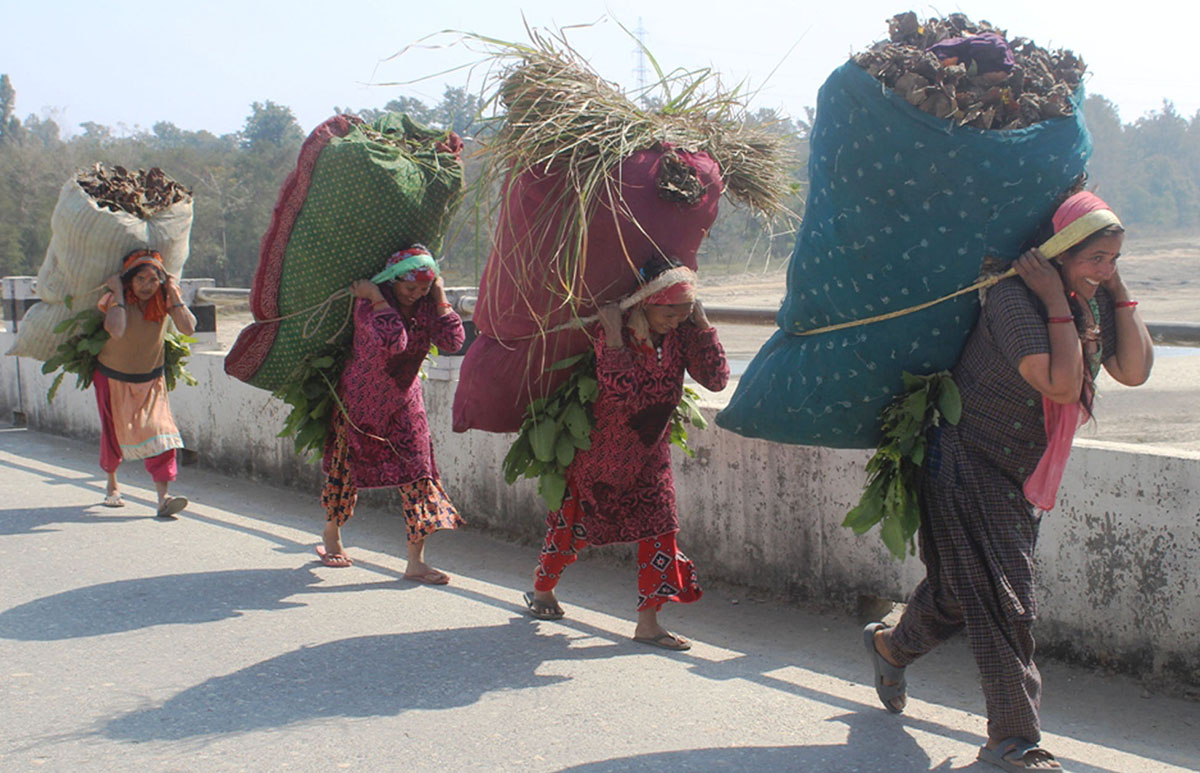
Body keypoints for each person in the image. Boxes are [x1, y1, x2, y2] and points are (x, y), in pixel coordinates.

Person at [863, 191, 1153, 771]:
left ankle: (889, 645)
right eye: (1095, 258)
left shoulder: (1089, 302)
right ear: (1059, 254)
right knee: (1007, 600)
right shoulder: (1014, 300)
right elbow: (1062, 385)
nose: (1104, 270)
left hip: (1018, 473)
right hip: (965, 459)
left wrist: (1117, 293)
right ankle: (1013, 738)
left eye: (1114, 258)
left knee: (957, 593)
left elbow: (1136, 369)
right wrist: (1052, 296)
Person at [524, 255, 730, 650]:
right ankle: (543, 588)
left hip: (651, 453)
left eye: (684, 312)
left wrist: (702, 326)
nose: (676, 321)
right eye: (671, 312)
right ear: (647, 304)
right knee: (571, 527)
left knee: (660, 528)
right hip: (602, 453)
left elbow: (718, 379)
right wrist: (616, 338)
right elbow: (620, 397)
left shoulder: (684, 335)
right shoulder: (614, 334)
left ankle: (648, 623)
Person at [316, 245, 466, 584]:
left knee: (419, 475)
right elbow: (393, 341)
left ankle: (416, 561)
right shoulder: (369, 302)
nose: (416, 295)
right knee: (346, 469)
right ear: (392, 280)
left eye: (424, 288)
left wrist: (440, 295)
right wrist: (378, 297)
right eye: (409, 288)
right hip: (360, 402)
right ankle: (332, 534)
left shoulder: (429, 304)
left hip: (405, 403)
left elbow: (454, 340)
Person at [96, 249, 195, 517]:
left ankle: (163, 498)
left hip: (151, 378)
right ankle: (112, 484)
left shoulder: (163, 300)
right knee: (113, 432)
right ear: (129, 280)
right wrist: (117, 292)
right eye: (140, 279)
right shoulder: (113, 300)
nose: (147, 286)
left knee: (162, 435)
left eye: (153, 280)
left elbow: (188, 328)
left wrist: (173, 292)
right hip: (112, 377)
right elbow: (115, 330)